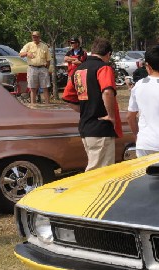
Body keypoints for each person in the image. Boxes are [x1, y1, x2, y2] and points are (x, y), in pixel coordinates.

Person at [62, 37, 122, 171]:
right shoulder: (104, 68)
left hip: (86, 126)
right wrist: (111, 116)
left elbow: (67, 98)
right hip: (101, 127)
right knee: (100, 173)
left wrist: (86, 108)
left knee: (95, 168)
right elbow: (107, 92)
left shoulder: (79, 70)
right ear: (108, 54)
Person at [19, 31, 51, 104]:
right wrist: (27, 53)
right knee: (33, 88)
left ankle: (47, 106)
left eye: (36, 36)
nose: (35, 38)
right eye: (33, 36)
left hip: (43, 68)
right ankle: (33, 106)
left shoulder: (44, 46)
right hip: (32, 68)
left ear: (39, 37)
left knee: (45, 88)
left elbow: (48, 59)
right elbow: (20, 54)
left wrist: (46, 69)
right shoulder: (28, 45)